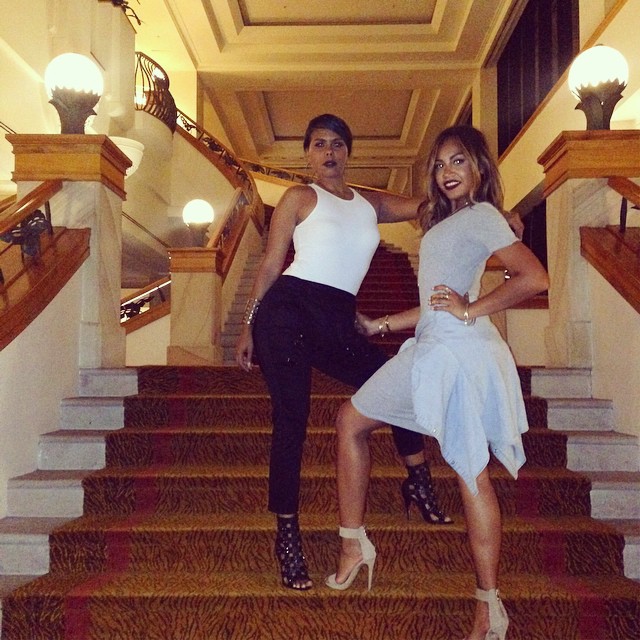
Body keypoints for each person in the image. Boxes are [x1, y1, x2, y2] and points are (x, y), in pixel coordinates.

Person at [326, 125, 549, 640]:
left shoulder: (483, 215)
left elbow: (534, 278)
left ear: (479, 168)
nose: (448, 172)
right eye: (441, 164)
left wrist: (472, 309)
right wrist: (380, 325)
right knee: (353, 422)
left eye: (459, 161)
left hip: (455, 353)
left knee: (468, 471)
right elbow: (435, 303)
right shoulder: (449, 222)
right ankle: (355, 543)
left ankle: (487, 605)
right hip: (435, 346)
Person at [235, 113, 453, 592]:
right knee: (291, 420)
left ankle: (417, 480)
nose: (328, 152)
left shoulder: (369, 202)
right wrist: (250, 323)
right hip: (287, 311)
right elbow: (271, 263)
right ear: (307, 154)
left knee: (395, 380)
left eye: (337, 143)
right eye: (318, 144)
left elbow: (431, 205)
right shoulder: (298, 197)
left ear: (348, 152)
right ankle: (287, 536)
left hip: (337, 316)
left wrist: (494, 215)